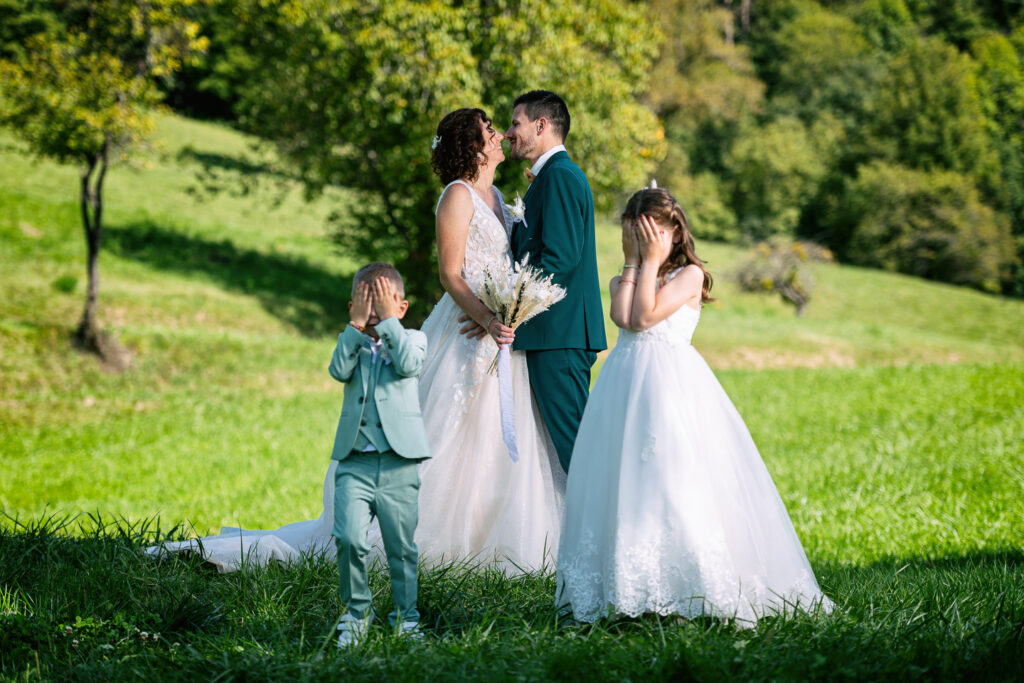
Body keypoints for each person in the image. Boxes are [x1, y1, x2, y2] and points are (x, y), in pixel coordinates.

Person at [146, 107, 565, 574]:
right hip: (467, 329)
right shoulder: (457, 196)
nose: (501, 135)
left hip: (494, 332)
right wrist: (487, 318)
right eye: (491, 130)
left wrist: (505, 312)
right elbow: (450, 273)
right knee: (446, 433)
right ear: (472, 144)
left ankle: (488, 539)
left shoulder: (499, 195)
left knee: (491, 437)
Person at [555, 187, 833, 624]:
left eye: (651, 231)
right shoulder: (624, 276)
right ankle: (630, 587)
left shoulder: (689, 277)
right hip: (623, 386)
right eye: (636, 231)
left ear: (672, 231)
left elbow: (647, 317)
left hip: (669, 387)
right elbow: (625, 318)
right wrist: (635, 261)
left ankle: (688, 588)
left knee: (671, 477)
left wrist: (649, 262)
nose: (643, 238)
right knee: (624, 478)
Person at [501, 90, 607, 473]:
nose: (509, 132)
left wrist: (509, 308)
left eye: (516, 123)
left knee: (576, 450)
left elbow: (559, 261)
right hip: (553, 336)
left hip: (559, 336)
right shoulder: (549, 177)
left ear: (541, 125)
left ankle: (600, 530)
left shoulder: (560, 177)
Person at [328, 263, 430, 647]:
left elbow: (407, 365)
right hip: (354, 462)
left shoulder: (414, 339)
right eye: (366, 302)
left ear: (401, 307)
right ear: (352, 305)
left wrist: (389, 324)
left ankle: (406, 617)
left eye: (382, 302)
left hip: (399, 463)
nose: (374, 309)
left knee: (400, 547)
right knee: (350, 539)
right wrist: (354, 330)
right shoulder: (350, 344)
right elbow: (338, 370)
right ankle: (356, 614)